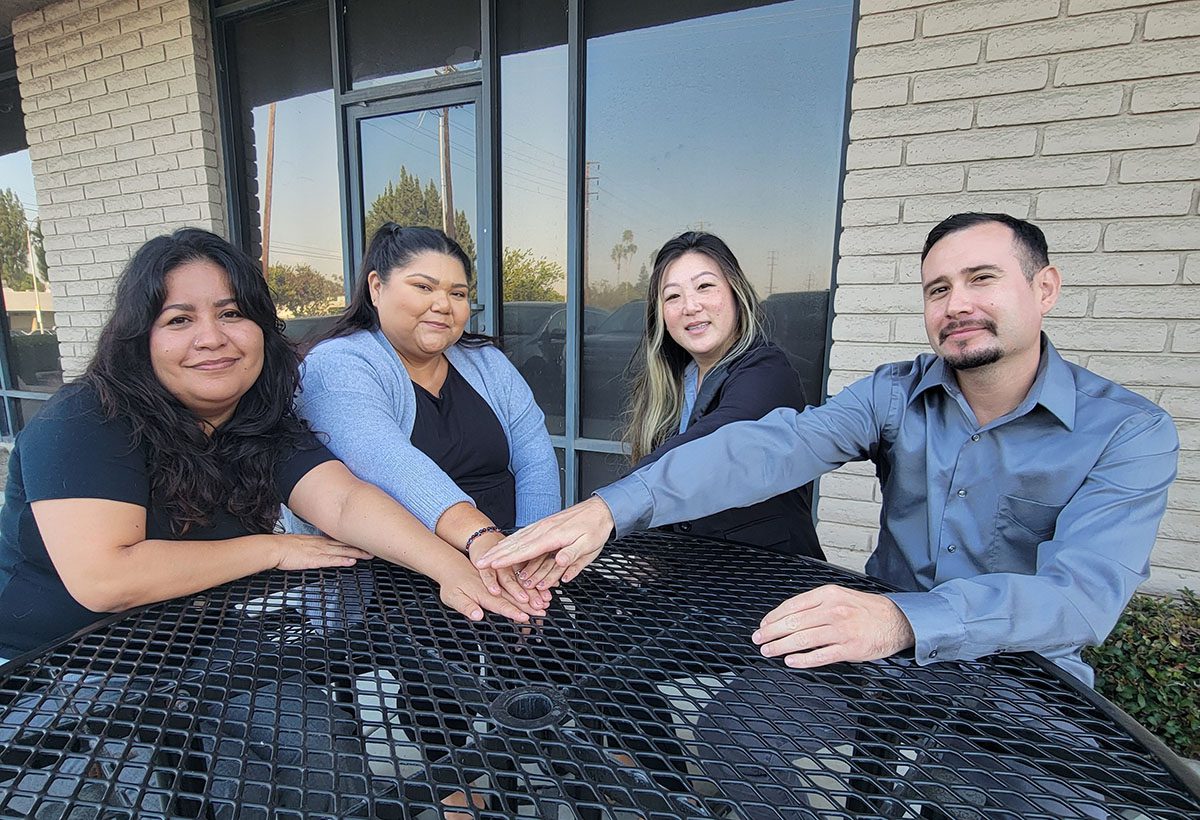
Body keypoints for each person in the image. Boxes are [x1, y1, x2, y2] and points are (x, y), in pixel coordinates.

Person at [475, 212, 1180, 685]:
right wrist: (608, 509)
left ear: (1044, 288)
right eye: (938, 288)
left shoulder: (1129, 432)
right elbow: (770, 447)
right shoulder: (892, 394)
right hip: (869, 654)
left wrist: (903, 618)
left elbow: (1080, 599)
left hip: (1020, 677)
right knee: (736, 735)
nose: (956, 303)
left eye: (982, 280)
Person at [0, 228, 536, 663]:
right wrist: (273, 550)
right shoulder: (86, 417)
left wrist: (452, 567)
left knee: (325, 766)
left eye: (232, 314)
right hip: (55, 660)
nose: (212, 337)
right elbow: (106, 579)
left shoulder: (256, 419)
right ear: (140, 337)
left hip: (195, 644)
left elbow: (345, 500)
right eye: (179, 319)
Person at [287, 223, 560, 612]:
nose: (443, 304)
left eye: (458, 293)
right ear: (376, 288)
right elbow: (389, 461)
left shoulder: (487, 363)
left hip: (504, 564)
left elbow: (536, 458)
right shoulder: (337, 365)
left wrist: (530, 558)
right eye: (424, 287)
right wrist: (481, 538)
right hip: (392, 590)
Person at [622, 231, 821, 558]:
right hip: (698, 588)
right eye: (672, 296)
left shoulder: (769, 373)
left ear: (734, 292)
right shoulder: (674, 383)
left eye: (705, 286)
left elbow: (714, 444)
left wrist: (603, 510)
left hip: (772, 586)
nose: (690, 306)